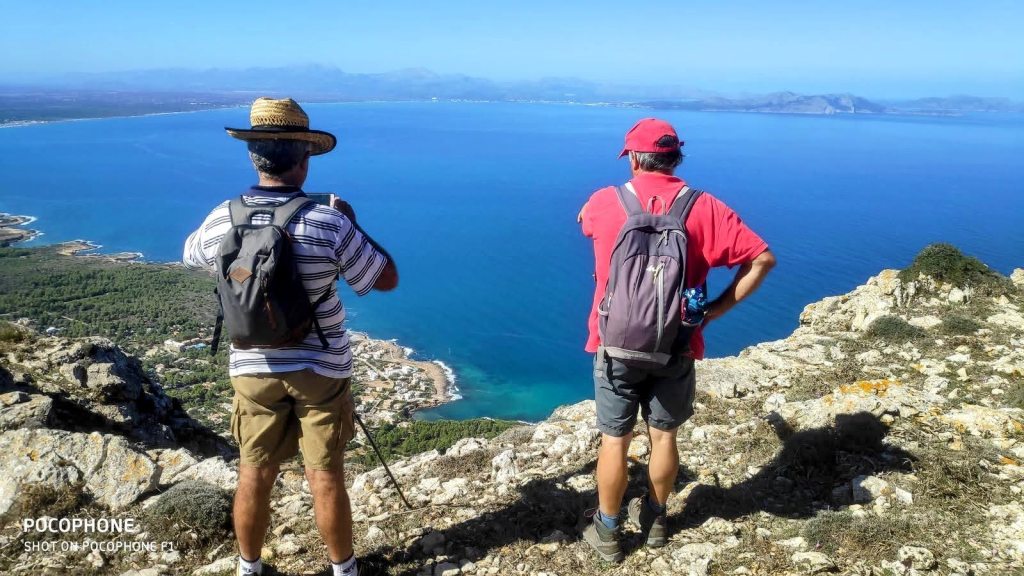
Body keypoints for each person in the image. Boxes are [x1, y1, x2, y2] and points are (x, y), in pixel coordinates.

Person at [183, 97, 397, 576]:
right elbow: (384, 278)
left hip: (252, 367)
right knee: (324, 475)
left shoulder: (224, 217)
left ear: (253, 156)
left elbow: (191, 255)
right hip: (321, 370)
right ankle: (343, 570)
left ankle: (249, 567)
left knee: (254, 471)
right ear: (303, 160)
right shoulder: (328, 221)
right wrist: (354, 223)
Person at [578, 118, 775, 561]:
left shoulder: (603, 202)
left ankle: (608, 532)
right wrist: (711, 312)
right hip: (677, 343)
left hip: (615, 345)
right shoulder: (705, 207)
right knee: (663, 436)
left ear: (631, 157)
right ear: (675, 157)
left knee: (615, 440)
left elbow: (585, 223)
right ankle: (656, 518)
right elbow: (762, 260)